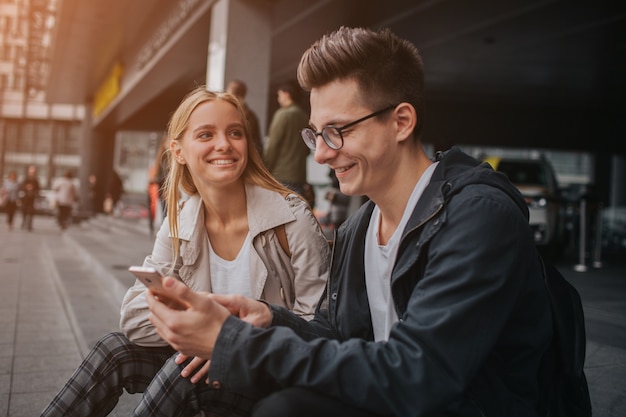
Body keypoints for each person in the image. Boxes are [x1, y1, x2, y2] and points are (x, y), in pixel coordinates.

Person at [146, 26, 554, 417]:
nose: (321, 154)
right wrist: (270, 318)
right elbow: (339, 334)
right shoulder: (360, 227)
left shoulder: (479, 217)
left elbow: (419, 373)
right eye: (316, 134)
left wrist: (234, 344)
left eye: (337, 131)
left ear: (401, 122)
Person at [39, 87, 330, 417]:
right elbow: (134, 315)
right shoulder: (181, 221)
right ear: (178, 151)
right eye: (206, 134)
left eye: (235, 132)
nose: (224, 144)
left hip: (273, 374)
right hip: (210, 366)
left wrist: (226, 340)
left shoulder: (291, 220)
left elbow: (321, 327)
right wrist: (200, 329)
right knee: (114, 349)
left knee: (186, 372)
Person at [263, 79, 312, 203]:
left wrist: (265, 169)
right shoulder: (304, 116)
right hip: (299, 174)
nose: (279, 99)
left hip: (281, 175)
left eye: (279, 95)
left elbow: (273, 146)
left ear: (287, 94)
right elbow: (307, 148)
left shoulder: (282, 114)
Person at [226, 79, 263, 157]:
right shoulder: (252, 115)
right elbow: (257, 143)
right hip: (246, 158)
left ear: (231, 92)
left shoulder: (223, 112)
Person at [19, 165, 40, 231]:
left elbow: (38, 188)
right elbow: (22, 186)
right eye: (31, 171)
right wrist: (26, 187)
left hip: (32, 197)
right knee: (24, 210)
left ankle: (29, 224)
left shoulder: (36, 179)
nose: (32, 173)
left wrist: (34, 192)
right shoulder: (26, 178)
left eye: (33, 172)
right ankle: (24, 222)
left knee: (31, 211)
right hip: (25, 197)